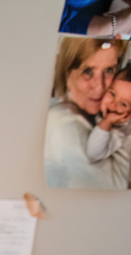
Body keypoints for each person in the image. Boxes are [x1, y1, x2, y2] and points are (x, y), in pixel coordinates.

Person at [44, 37, 130, 189]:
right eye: (88, 71)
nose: (100, 87)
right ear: (66, 73)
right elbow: (112, 188)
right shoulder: (63, 121)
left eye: (109, 70)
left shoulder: (102, 114)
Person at [87, 66, 131, 164]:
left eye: (123, 104)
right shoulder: (96, 101)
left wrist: (107, 122)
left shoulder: (120, 131)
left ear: (129, 115)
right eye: (112, 94)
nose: (113, 104)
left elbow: (93, 153)